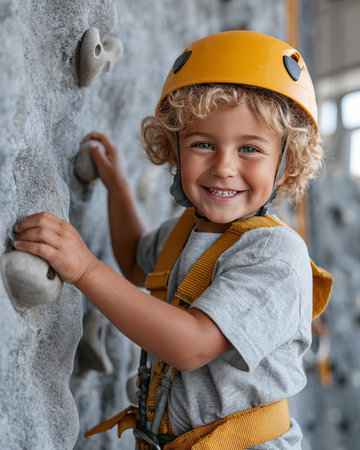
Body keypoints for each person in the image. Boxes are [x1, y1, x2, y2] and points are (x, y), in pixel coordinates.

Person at [14, 31, 332, 449]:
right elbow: (133, 261)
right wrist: (119, 191)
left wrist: (86, 269)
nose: (224, 167)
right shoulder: (187, 230)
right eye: (203, 144)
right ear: (175, 150)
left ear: (286, 165)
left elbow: (191, 345)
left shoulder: (276, 254)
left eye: (250, 149)